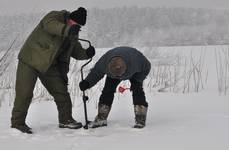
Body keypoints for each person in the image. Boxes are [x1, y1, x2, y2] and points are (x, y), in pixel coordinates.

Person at [11, 7, 95, 134]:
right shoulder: (54, 17)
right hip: (30, 59)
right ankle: (18, 123)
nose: (75, 27)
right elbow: (51, 26)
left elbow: (76, 51)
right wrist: (67, 29)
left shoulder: (72, 34)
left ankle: (65, 120)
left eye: (78, 26)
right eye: (74, 23)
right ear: (69, 18)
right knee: (25, 93)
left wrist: (87, 53)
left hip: (50, 65)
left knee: (62, 92)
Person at [79, 47, 151, 128]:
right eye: (115, 75)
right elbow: (96, 73)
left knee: (137, 90)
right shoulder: (104, 63)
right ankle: (101, 118)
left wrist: (138, 80)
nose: (118, 78)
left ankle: (140, 119)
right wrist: (87, 83)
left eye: (119, 75)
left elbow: (147, 67)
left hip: (135, 73)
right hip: (113, 71)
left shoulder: (136, 62)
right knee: (107, 90)